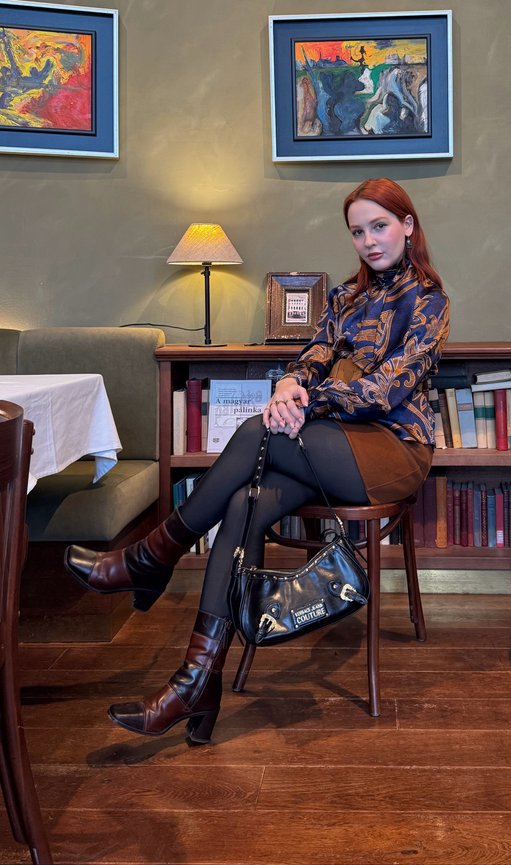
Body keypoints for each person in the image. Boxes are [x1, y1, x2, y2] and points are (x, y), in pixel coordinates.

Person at [64, 178, 450, 745]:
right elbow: (314, 354)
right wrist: (291, 386)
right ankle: (197, 682)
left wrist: (305, 401)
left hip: (392, 448)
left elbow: (386, 390)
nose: (369, 241)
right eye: (357, 231)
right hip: (330, 441)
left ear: (407, 225)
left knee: (253, 433)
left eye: (380, 226)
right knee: (245, 502)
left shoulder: (429, 300)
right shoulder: (345, 297)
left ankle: (152, 555)